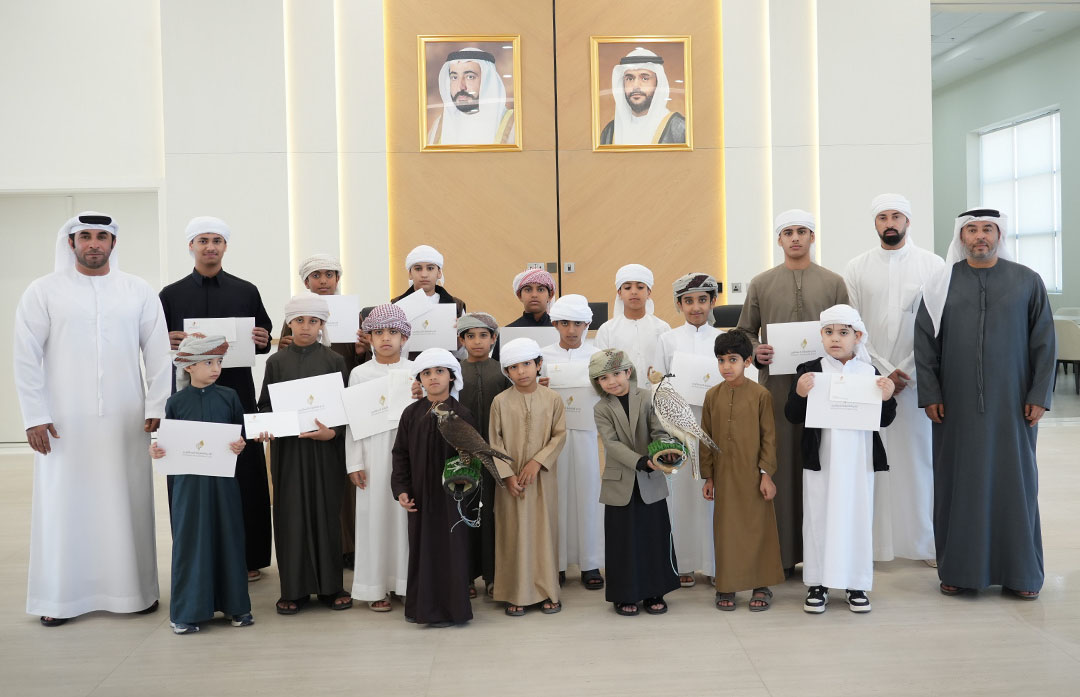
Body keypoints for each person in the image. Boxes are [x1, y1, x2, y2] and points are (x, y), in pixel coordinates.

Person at [15, 212, 171, 627]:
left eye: (102, 236)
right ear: (71, 243)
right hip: (63, 422)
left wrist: (157, 405)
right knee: (63, 505)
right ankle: (59, 598)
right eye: (85, 236)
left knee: (128, 501)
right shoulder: (43, 291)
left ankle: (133, 593)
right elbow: (25, 356)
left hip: (126, 417)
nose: (94, 244)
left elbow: (157, 353)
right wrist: (35, 415)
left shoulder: (137, 291)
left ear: (113, 243)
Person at [915, 208, 1055, 599]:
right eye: (972, 230)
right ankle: (959, 571)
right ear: (960, 237)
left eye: (987, 229)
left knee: (1016, 485)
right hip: (953, 407)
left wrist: (1039, 396)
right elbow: (924, 344)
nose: (980, 236)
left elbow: (1045, 343)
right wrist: (931, 394)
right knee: (957, 485)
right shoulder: (939, 284)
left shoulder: (1027, 281)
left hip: (1014, 407)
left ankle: (1022, 574)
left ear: (999, 235)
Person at [159, 216, 274, 581]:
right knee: (192, 469)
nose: (210, 247)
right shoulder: (170, 294)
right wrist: (169, 340)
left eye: (217, 241)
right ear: (190, 246)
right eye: (203, 240)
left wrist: (262, 339)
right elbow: (154, 342)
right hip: (188, 397)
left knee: (245, 471)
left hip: (237, 393)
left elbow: (266, 336)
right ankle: (197, 553)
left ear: (225, 247)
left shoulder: (246, 290)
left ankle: (249, 556)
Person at [735, 209, 849, 576]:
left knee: (822, 463)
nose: (796, 238)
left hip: (825, 389)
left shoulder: (833, 282)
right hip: (778, 390)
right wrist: (757, 351)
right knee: (779, 464)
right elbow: (746, 333)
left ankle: (823, 554)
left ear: (813, 237)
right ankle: (781, 556)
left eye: (802, 231)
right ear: (779, 239)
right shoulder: (762, 283)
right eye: (788, 232)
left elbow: (850, 331)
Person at [843, 194, 945, 566]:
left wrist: (908, 372)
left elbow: (938, 327)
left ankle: (924, 544)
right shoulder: (856, 267)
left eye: (896, 216)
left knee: (920, 463)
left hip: (918, 380)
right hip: (870, 380)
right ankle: (873, 545)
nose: (890, 222)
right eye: (883, 216)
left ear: (908, 221)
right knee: (873, 461)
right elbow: (853, 325)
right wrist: (879, 370)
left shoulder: (932, 265)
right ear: (875, 223)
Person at [785, 305, 897, 613]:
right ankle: (817, 584)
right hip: (821, 462)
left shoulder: (869, 372)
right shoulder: (810, 369)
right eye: (829, 332)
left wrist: (888, 397)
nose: (836, 339)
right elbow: (792, 415)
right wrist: (799, 392)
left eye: (844, 333)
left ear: (857, 336)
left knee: (856, 518)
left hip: (859, 464)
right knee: (818, 517)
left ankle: (855, 583)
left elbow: (884, 420)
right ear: (821, 335)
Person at [255, 292, 351, 615]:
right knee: (290, 514)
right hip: (289, 451)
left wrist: (333, 432)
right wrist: (266, 425)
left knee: (326, 513)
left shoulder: (335, 361)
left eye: (313, 321)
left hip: (325, 452)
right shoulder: (275, 362)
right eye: (299, 321)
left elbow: (345, 407)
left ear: (322, 324)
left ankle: (331, 587)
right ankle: (293, 589)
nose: (305, 327)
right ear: (289, 323)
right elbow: (265, 405)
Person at [150, 334, 253, 634]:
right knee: (191, 541)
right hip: (188, 487)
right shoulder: (176, 402)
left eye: (218, 361)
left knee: (228, 537)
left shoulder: (229, 397)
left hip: (224, 484)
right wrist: (157, 449)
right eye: (207, 362)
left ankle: (237, 608)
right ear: (189, 367)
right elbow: (168, 443)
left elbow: (240, 435)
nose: (215, 368)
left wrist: (239, 446)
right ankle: (186, 613)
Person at [280, 253, 371, 569]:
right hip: (307, 406)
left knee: (346, 475)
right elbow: (284, 363)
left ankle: (348, 545)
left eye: (329, 274)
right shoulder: (295, 315)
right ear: (305, 282)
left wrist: (362, 351)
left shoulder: (353, 315)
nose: (323, 280)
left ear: (337, 279)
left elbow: (361, 368)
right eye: (316, 275)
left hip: (344, 403)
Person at [590, 348, 680, 617]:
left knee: (654, 536)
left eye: (617, 373)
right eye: (604, 378)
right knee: (622, 542)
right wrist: (641, 461)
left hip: (651, 479)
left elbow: (658, 429)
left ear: (628, 372)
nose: (612, 381)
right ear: (598, 383)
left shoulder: (647, 398)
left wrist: (661, 451)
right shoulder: (601, 408)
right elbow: (611, 444)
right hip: (620, 482)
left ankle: (655, 591)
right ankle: (624, 594)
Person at [391, 348, 476, 627]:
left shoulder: (461, 413)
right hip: (419, 498)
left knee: (451, 550)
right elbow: (400, 454)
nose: (433, 377)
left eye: (439, 371)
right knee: (422, 549)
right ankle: (423, 609)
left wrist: (461, 488)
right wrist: (402, 489)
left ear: (452, 376)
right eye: (426, 373)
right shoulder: (411, 414)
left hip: (452, 498)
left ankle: (453, 610)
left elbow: (471, 457)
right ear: (420, 380)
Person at [700, 330, 784, 612]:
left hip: (753, 476)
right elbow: (706, 438)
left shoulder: (761, 395)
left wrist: (766, 474)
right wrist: (709, 477)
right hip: (724, 476)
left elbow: (769, 437)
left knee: (759, 529)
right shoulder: (712, 396)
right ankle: (726, 585)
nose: (726, 366)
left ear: (748, 362)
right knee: (726, 531)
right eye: (721, 360)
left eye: (733, 360)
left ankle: (761, 585)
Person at [489, 338, 567, 616]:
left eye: (526, 364)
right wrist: (508, 476)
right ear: (507, 372)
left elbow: (559, 435)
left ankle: (548, 591)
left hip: (542, 479)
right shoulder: (499, 402)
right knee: (512, 533)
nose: (521, 371)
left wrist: (537, 462)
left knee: (543, 532)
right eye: (513, 367)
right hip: (510, 482)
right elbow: (494, 443)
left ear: (538, 365)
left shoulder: (553, 399)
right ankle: (515, 593)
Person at [654, 272, 722, 587]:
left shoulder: (721, 338)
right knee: (678, 494)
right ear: (680, 304)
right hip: (677, 426)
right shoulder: (668, 339)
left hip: (712, 425)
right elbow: (656, 382)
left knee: (710, 493)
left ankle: (711, 563)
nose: (696, 307)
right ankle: (682, 563)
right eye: (689, 301)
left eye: (702, 300)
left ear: (712, 302)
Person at [345, 304, 413, 612]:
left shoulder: (416, 371)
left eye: (393, 332)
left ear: (404, 337)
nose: (386, 339)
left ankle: (406, 583)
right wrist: (354, 462)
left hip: (408, 456)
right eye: (378, 333)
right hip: (372, 455)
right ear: (369, 338)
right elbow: (352, 422)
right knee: (374, 518)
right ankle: (375, 588)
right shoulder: (360, 374)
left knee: (405, 519)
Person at [541, 294, 605, 590]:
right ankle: (557, 563)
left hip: (587, 434)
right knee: (556, 495)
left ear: (587, 324)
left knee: (589, 494)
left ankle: (591, 563)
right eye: (564, 323)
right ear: (554, 323)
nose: (571, 329)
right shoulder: (541, 357)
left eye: (577, 323)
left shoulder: (600, 355)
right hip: (552, 437)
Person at [455, 312, 511, 597]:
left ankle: (493, 575)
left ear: (494, 338)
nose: (477, 341)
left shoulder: (503, 372)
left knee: (491, 513)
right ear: (461, 340)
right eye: (470, 336)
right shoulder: (453, 372)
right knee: (463, 511)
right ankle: (465, 576)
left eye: (483, 335)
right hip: (462, 455)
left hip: (494, 454)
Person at [594, 264, 671, 388]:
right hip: (618, 398)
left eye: (640, 287)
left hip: (656, 396)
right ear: (619, 292)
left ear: (649, 292)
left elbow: (670, 367)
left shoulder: (662, 328)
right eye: (628, 287)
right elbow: (599, 369)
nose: (634, 292)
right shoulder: (607, 330)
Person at [427, 47, 515, 145]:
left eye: (470, 77)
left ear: (488, 81)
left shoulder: (513, 125)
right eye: (454, 77)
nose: (461, 86)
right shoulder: (438, 128)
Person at [392, 245, 466, 360]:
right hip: (407, 370)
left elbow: (464, 357)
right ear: (410, 274)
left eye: (430, 268)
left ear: (439, 273)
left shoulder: (456, 306)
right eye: (418, 269)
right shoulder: (396, 305)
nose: (424, 274)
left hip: (444, 370)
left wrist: (459, 340)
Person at [599, 48, 686, 145]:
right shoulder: (610, 132)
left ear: (658, 83)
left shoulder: (679, 128)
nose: (635, 86)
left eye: (645, 78)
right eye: (630, 78)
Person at [493, 267, 557, 361]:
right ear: (519, 295)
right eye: (528, 290)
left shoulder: (561, 330)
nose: (534, 295)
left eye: (540, 290)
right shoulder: (507, 332)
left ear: (550, 295)